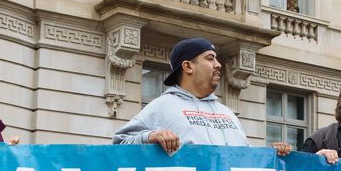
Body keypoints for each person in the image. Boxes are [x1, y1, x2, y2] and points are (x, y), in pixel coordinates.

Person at [113, 37, 290, 155]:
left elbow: (246, 156)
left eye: (216, 59)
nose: (218, 65)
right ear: (188, 66)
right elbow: (119, 145)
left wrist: (272, 153)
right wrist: (149, 137)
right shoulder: (162, 106)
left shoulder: (227, 113)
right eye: (210, 58)